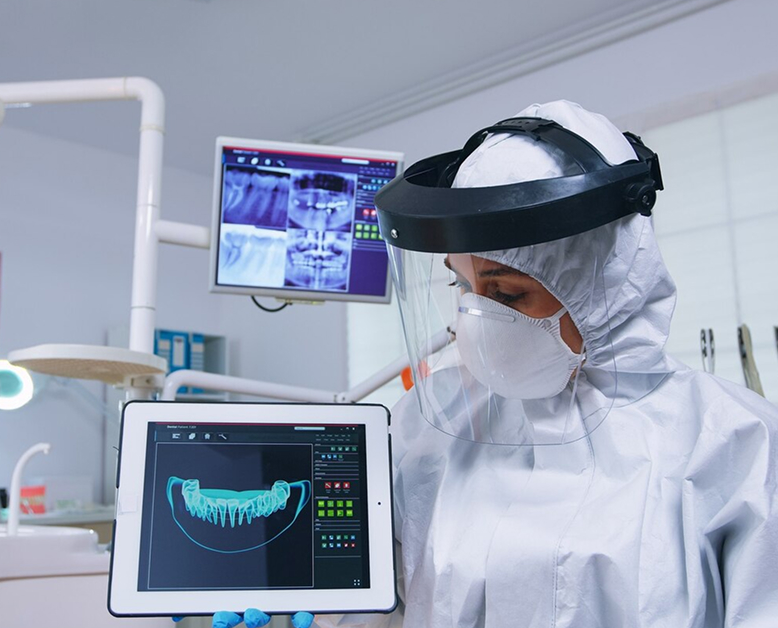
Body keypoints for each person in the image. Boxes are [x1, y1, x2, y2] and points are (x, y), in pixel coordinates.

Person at [210, 101, 778, 627]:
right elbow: (379, 613)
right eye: (462, 287)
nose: (476, 321)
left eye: (505, 294)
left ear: (603, 282)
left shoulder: (733, 442)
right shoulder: (426, 427)